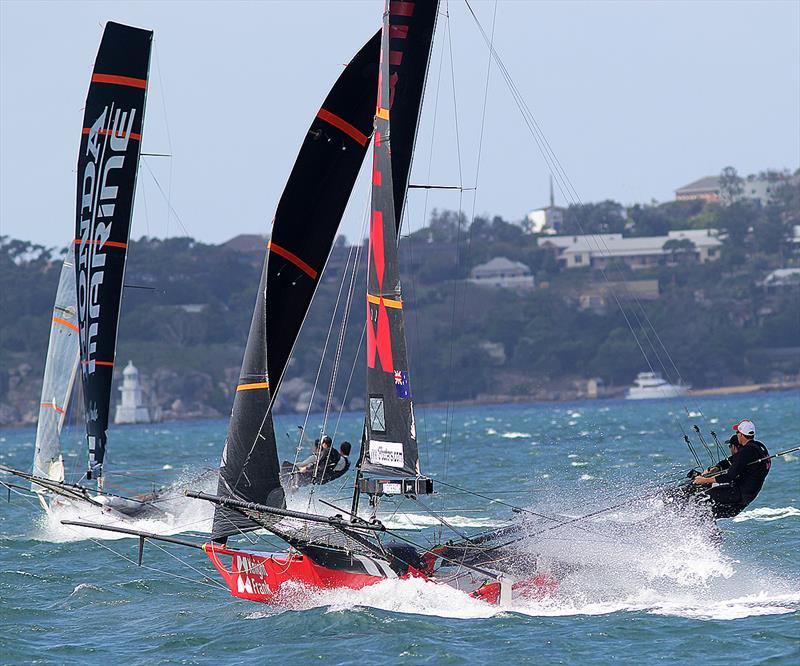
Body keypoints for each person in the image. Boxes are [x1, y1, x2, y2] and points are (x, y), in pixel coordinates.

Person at [691, 419, 770, 518]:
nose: (736, 435)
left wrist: (704, 480)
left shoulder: (747, 451)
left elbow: (729, 476)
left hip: (738, 493)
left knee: (700, 499)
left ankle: (700, 531)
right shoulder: (759, 447)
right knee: (710, 511)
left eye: (737, 432)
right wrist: (717, 468)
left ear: (741, 434)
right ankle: (708, 533)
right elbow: (733, 460)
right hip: (748, 496)